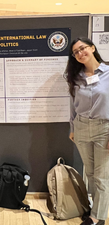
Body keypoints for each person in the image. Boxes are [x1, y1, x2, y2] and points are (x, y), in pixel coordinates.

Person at [65, 37, 109, 225]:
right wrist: (72, 128)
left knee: (102, 176)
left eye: (82, 48)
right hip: (81, 127)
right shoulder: (76, 77)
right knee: (90, 173)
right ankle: (96, 209)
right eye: (76, 52)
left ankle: (97, 217)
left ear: (92, 48)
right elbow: (72, 106)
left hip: (104, 128)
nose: (80, 53)